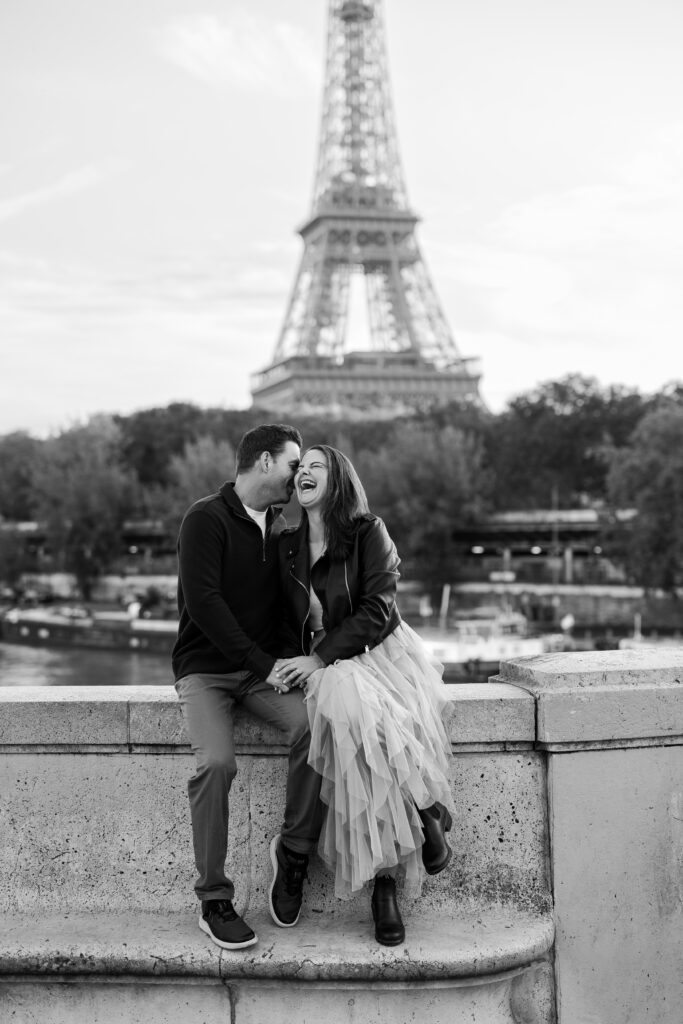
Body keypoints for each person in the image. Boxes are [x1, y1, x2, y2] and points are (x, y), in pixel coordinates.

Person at [275, 444, 454, 946]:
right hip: (327, 662)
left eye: (317, 466)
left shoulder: (367, 531)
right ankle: (423, 817)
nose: (304, 472)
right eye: (300, 468)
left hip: (378, 652)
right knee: (355, 722)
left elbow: (378, 608)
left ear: (339, 481)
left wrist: (319, 658)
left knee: (357, 715)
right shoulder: (285, 542)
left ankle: (386, 883)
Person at [172, 423, 323, 951]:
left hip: (259, 670)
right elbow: (206, 605)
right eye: (291, 463)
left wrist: (306, 658)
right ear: (263, 462)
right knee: (216, 764)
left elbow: (288, 609)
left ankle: (295, 849)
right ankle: (214, 899)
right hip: (207, 671)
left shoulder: (283, 528)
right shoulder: (204, 519)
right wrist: (265, 663)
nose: (298, 473)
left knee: (313, 725)